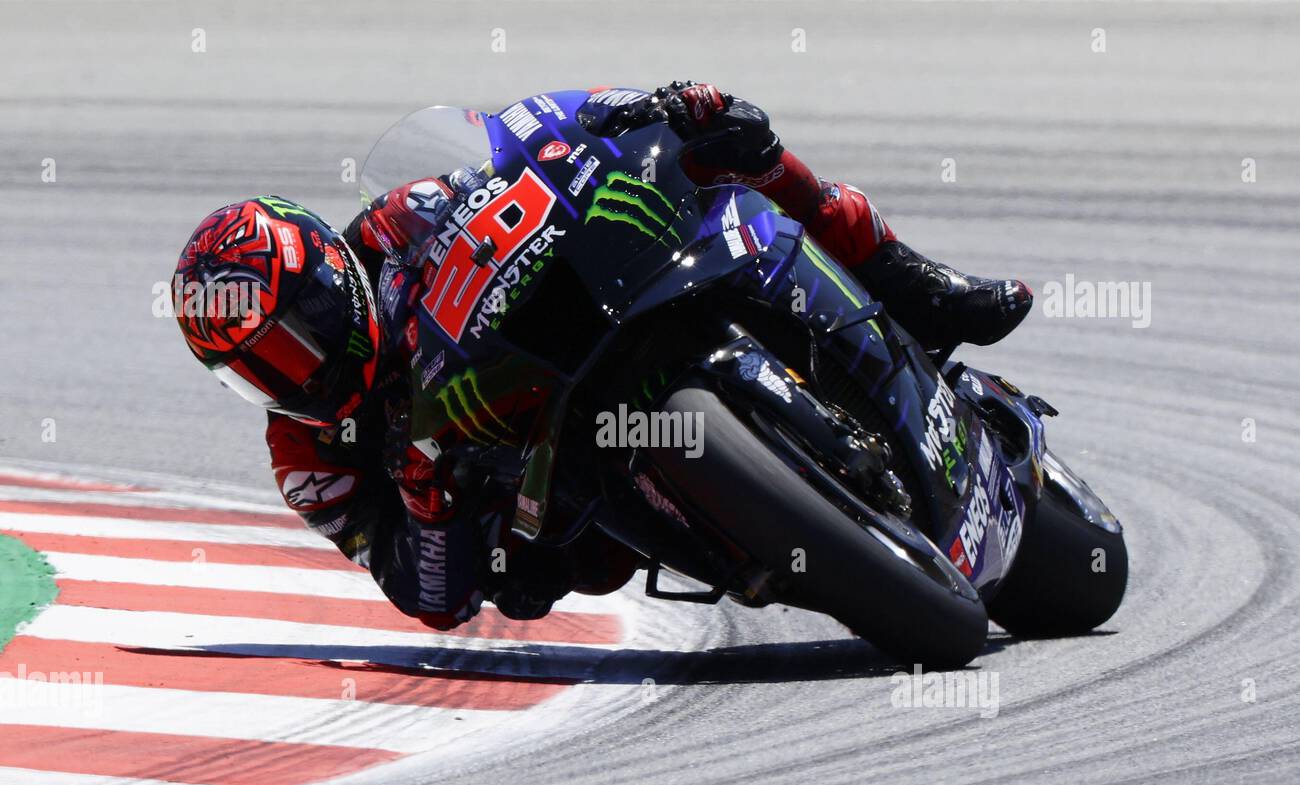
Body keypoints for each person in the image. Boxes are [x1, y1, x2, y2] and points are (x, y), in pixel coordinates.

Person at [170, 82, 1033, 630]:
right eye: (258, 372)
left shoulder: (400, 219)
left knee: (728, 145)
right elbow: (431, 601)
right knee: (530, 580)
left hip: (598, 316)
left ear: (328, 274)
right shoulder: (306, 455)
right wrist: (428, 501)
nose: (296, 372)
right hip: (551, 501)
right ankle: (780, 535)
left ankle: (912, 281)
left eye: (296, 338)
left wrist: (636, 112)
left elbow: (526, 141)